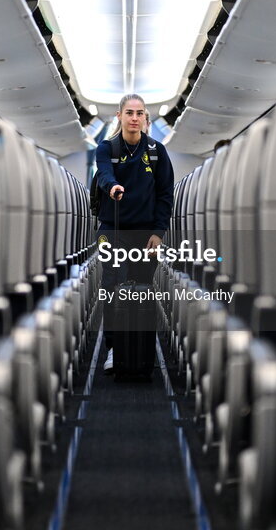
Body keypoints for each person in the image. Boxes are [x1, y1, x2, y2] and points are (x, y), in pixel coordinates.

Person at [94, 93, 174, 372]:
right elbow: (104, 173)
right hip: (112, 229)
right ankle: (115, 348)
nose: (135, 118)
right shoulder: (106, 148)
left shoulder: (156, 151)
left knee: (142, 288)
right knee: (112, 284)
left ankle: (139, 344)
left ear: (145, 118)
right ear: (120, 116)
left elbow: (165, 194)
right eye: (129, 112)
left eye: (140, 113)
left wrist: (158, 232)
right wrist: (112, 187)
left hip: (145, 234)